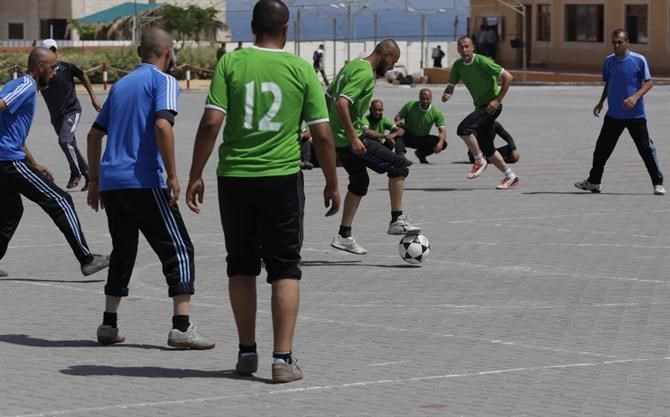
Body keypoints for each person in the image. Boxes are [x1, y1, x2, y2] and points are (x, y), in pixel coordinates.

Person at [186, 0, 340, 383]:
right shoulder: (301, 69)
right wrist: (333, 182)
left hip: (235, 178)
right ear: (286, 29)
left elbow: (210, 123)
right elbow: (322, 134)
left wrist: (195, 174)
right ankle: (282, 360)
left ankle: (246, 351)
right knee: (284, 267)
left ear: (252, 27)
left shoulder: (231, 63)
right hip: (281, 178)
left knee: (240, 264)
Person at [86, 28, 215, 350]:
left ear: (138, 53)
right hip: (144, 180)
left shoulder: (120, 85)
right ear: (168, 52)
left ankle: (108, 323)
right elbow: (162, 124)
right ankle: (181, 327)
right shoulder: (164, 81)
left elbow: (93, 135)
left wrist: (95, 181)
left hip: (113, 182)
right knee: (179, 249)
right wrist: (172, 175)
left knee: (123, 250)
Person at [0, 47, 109, 278]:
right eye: (52, 67)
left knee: (11, 211)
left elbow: (9, 133)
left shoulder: (19, 86)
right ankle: (87, 260)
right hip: (7, 162)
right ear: (40, 67)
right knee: (61, 200)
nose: (55, 72)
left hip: (8, 159)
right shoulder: (26, 85)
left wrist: (33, 163)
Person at [327, 38, 419, 256]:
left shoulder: (351, 65)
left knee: (359, 182)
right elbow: (341, 103)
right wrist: (353, 137)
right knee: (399, 166)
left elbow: (328, 96)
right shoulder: (365, 73)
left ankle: (343, 236)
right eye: (393, 61)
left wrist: (330, 128)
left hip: (339, 138)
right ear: (385, 55)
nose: (392, 67)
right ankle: (396, 220)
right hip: (350, 139)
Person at [575, 29, 664, 195]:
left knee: (646, 150)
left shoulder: (638, 60)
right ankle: (594, 182)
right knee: (601, 150)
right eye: (614, 42)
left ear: (627, 42)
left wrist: (635, 97)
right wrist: (601, 102)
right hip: (614, 115)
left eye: (620, 42)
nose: (616, 45)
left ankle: (657, 183)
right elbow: (609, 82)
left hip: (635, 115)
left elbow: (649, 82)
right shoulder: (609, 61)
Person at [442, 36, 519, 189]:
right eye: (461, 47)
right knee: (487, 147)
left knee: (463, 129)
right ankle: (511, 176)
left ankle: (479, 160)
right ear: (458, 49)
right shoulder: (458, 65)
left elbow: (508, 77)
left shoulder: (482, 61)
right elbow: (451, 86)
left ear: (473, 47)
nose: (464, 50)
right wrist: (447, 94)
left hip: (491, 106)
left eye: (467, 46)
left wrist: (497, 100)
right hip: (480, 107)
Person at [40, 39, 101, 191]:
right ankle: (89, 175)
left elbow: (83, 75)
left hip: (72, 111)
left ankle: (75, 173)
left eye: (53, 50)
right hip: (56, 116)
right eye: (48, 51)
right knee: (70, 145)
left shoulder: (67, 67)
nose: (52, 53)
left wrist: (93, 98)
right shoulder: (41, 73)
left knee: (65, 141)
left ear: (57, 51)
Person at [394, 88, 447, 164]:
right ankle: (400, 157)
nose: (425, 101)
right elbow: (398, 117)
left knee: (443, 143)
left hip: (422, 139)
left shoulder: (436, 112)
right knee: (397, 132)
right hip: (408, 136)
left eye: (427, 99)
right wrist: (398, 122)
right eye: (422, 99)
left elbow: (442, 131)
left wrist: (440, 143)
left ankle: (421, 154)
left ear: (431, 98)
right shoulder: (410, 105)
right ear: (419, 98)